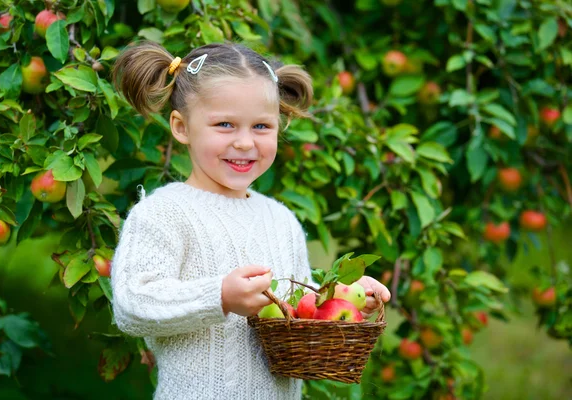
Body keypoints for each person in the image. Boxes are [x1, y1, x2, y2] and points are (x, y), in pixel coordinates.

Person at [110, 41, 391, 400]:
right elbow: (133, 304)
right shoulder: (164, 213)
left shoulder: (281, 220)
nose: (245, 143)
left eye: (261, 126)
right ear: (182, 127)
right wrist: (220, 297)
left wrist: (345, 297)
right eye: (225, 124)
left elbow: (301, 308)